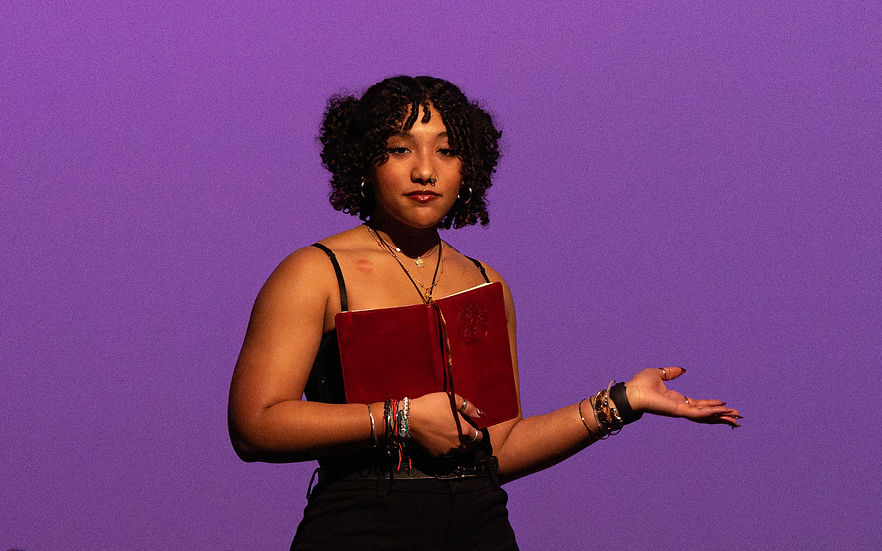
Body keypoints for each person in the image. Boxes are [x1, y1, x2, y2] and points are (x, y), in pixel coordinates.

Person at [228, 76, 742, 550]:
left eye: (446, 151)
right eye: (399, 149)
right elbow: (255, 425)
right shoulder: (315, 272)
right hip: (360, 524)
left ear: (467, 168)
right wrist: (400, 418)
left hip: (480, 527)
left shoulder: (484, 281)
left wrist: (624, 400)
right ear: (364, 162)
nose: (425, 169)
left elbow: (501, 444)